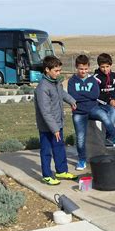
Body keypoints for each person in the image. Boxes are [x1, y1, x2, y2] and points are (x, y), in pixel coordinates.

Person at [68, 55, 115, 171]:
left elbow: (95, 94)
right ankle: (81, 160)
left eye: (85, 69)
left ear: (88, 67)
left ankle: (114, 137)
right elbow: (72, 96)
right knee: (80, 138)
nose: (83, 71)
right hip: (79, 113)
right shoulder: (72, 81)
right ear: (76, 68)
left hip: (92, 108)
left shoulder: (92, 80)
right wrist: (85, 97)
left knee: (104, 116)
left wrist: (81, 97)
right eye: (81, 69)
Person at [34, 56, 77, 185]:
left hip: (57, 123)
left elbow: (62, 93)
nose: (59, 73)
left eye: (60, 70)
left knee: (59, 148)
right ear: (47, 69)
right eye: (56, 71)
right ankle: (47, 175)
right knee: (46, 151)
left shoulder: (56, 82)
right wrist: (54, 129)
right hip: (47, 127)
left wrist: (71, 101)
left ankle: (61, 171)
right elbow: (45, 111)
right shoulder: (42, 88)